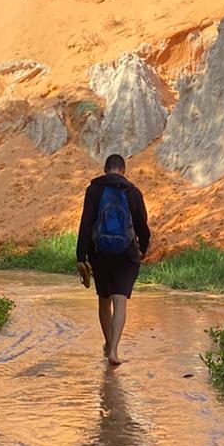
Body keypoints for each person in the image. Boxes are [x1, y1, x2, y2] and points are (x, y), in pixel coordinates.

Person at [75, 154, 150, 366]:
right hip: (126, 254)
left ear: (105, 169)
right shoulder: (133, 192)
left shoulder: (94, 190)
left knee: (104, 300)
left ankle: (108, 342)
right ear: (123, 170)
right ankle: (114, 351)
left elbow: (86, 223)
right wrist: (142, 249)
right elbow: (142, 227)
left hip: (99, 254)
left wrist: (81, 256)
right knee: (120, 301)